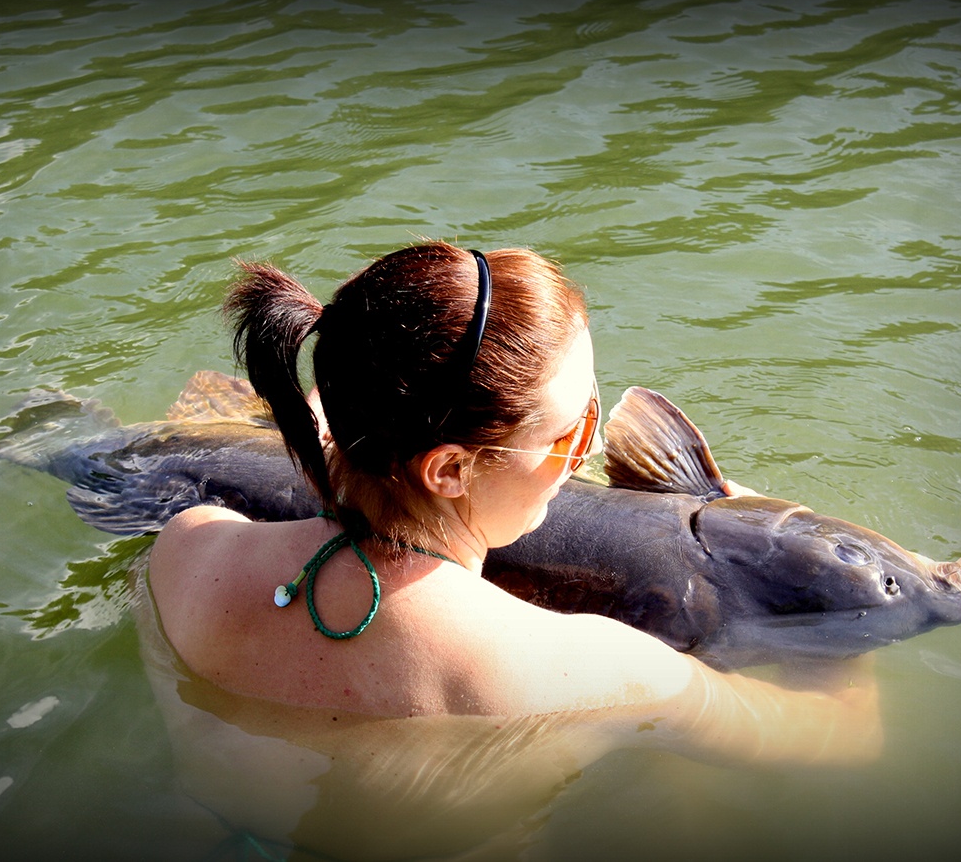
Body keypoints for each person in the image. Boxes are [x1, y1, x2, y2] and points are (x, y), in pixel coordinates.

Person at [148, 240, 880, 766]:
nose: (586, 450)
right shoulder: (597, 668)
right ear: (449, 470)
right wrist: (817, 589)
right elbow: (843, 736)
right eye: (572, 431)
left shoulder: (189, 549)